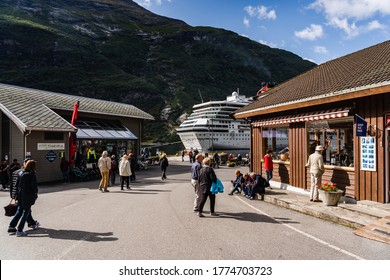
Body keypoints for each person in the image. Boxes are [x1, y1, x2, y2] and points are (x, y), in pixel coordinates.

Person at [8, 158, 39, 235]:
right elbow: (34, 187)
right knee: (26, 212)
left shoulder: (20, 173)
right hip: (28, 196)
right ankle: (20, 229)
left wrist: (14, 195)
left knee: (20, 210)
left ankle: (12, 226)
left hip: (20, 195)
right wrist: (35, 194)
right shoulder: (31, 175)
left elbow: (16, 184)